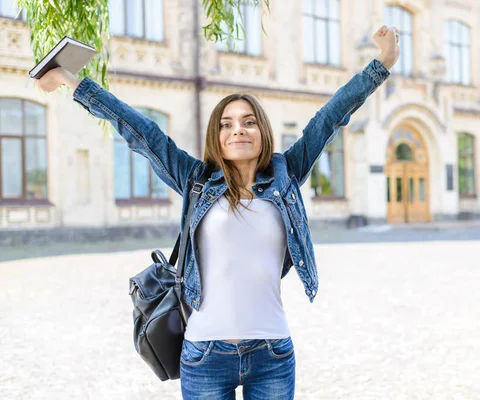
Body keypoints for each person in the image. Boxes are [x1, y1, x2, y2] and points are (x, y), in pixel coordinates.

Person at [35, 25, 400, 400]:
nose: (237, 130)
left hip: (272, 352)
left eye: (248, 121)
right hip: (205, 353)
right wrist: (69, 79)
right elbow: (139, 131)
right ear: (216, 135)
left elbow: (331, 116)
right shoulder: (195, 180)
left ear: (263, 131)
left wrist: (382, 64)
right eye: (226, 124)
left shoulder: (285, 174)